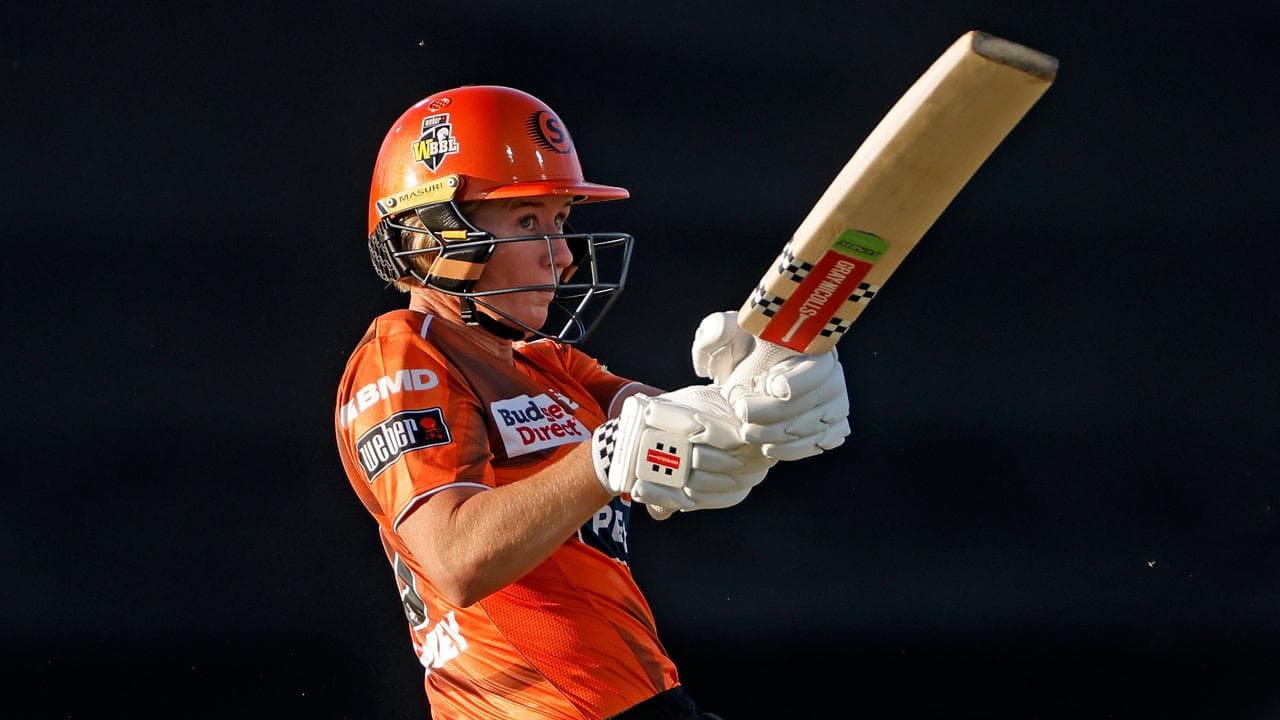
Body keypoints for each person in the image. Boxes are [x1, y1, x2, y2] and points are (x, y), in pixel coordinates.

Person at [334, 85, 850, 719]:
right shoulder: (404, 353)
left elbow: (685, 426)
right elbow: (457, 558)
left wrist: (767, 387)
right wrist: (605, 459)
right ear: (431, 235)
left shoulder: (548, 363)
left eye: (559, 222)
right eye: (528, 221)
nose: (564, 255)